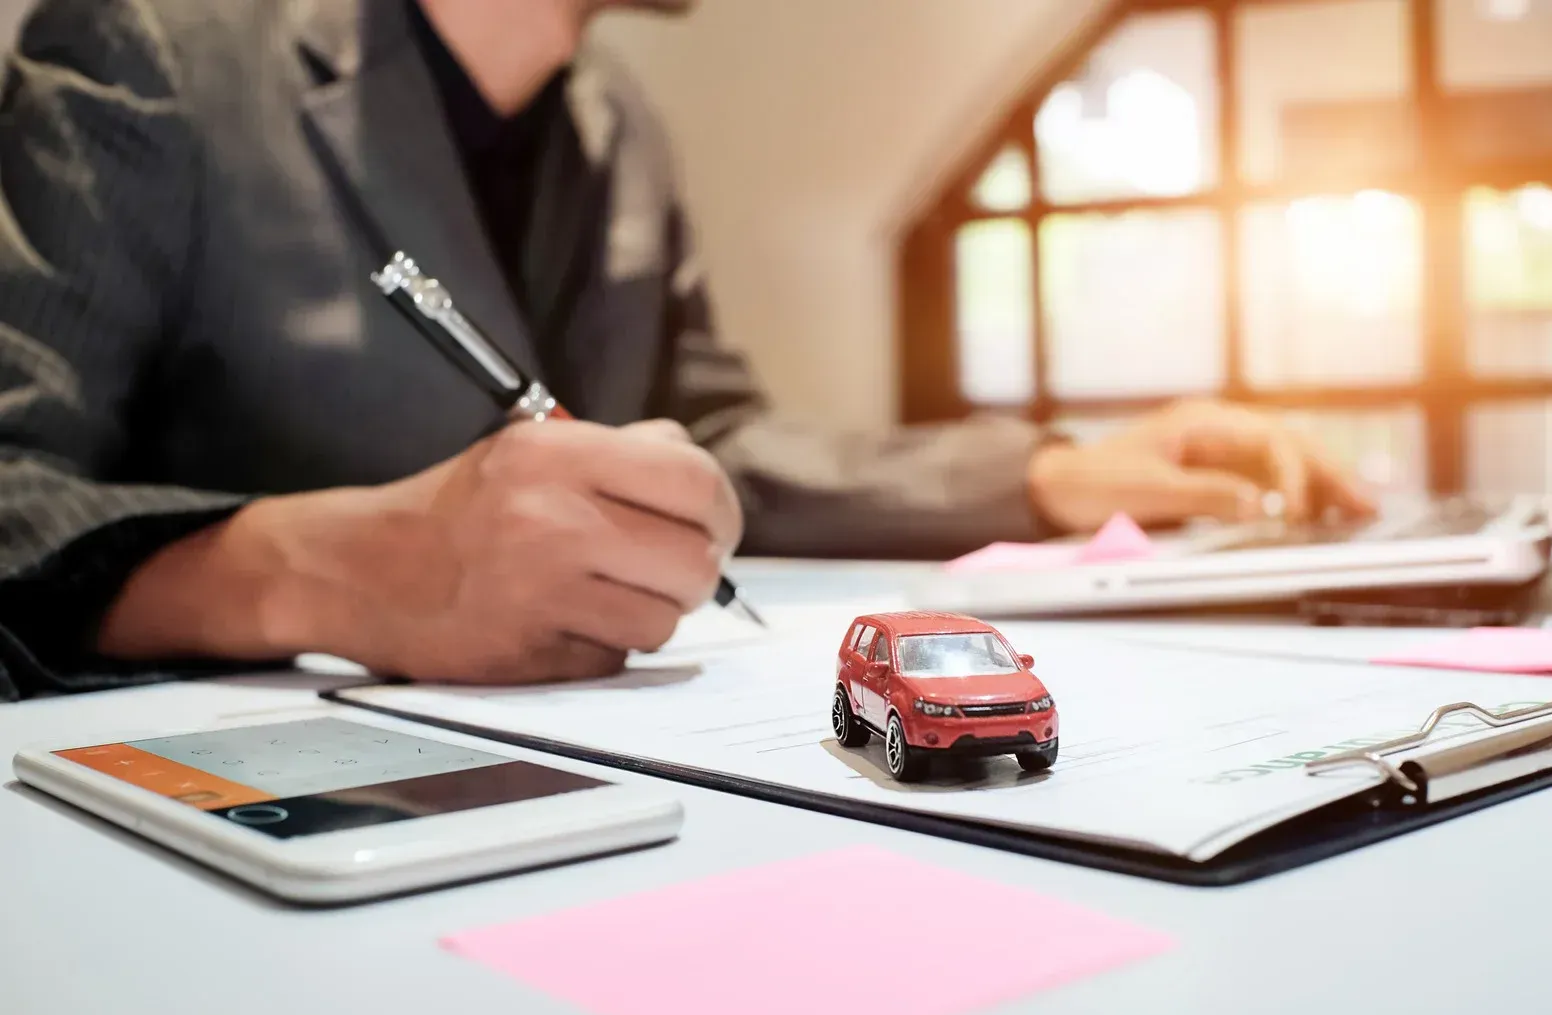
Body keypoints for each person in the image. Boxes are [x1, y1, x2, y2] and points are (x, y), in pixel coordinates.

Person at [0, 0, 1371, 701]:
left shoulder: (621, 126)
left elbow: (713, 447)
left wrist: (1055, 474)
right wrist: (341, 569)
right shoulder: (151, 51)